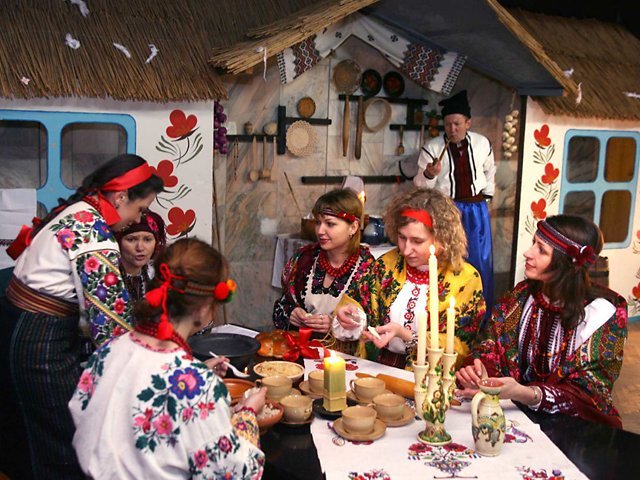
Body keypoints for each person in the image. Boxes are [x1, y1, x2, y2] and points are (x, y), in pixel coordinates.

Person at [0, 154, 163, 479]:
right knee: (66, 443)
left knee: (39, 435)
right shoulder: (93, 233)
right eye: (140, 208)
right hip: (40, 341)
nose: (137, 218)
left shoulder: (78, 211)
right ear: (121, 197)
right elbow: (112, 329)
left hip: (20, 327)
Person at [69, 238, 266, 479]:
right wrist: (247, 413)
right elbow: (234, 473)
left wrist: (197, 372)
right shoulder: (197, 387)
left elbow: (85, 414)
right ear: (204, 308)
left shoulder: (108, 351)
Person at [456, 215, 627, 428]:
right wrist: (481, 372)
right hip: (515, 413)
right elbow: (490, 344)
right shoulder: (521, 296)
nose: (528, 253)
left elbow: (589, 394)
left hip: (570, 427)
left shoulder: (602, 314)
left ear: (567, 263)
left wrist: (526, 394)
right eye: (533, 243)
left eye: (542, 250)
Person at [335, 187, 486, 368]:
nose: (406, 250)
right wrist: (351, 317)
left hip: (427, 376)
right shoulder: (386, 265)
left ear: (442, 238)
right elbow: (357, 303)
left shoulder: (465, 279)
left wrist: (407, 335)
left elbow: (461, 346)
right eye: (401, 237)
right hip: (376, 369)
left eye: (417, 241)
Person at [414, 90, 496, 317]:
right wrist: (429, 174)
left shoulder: (482, 143)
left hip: (476, 210)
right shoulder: (432, 148)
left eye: (457, 124)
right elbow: (420, 186)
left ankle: (481, 316)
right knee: (448, 261)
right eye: (448, 124)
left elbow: (490, 171)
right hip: (446, 211)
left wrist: (487, 196)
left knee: (479, 260)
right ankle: (446, 315)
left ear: (468, 123)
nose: (452, 129)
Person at [273, 188, 374, 354]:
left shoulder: (369, 269)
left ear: (353, 227)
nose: (320, 231)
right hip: (302, 353)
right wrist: (291, 313)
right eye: (318, 222)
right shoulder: (304, 259)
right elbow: (281, 306)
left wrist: (337, 325)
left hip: (346, 361)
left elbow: (377, 325)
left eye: (330, 224)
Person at [116, 209, 167, 303]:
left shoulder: (159, 275)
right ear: (118, 242)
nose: (140, 248)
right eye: (131, 240)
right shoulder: (107, 274)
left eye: (147, 240)